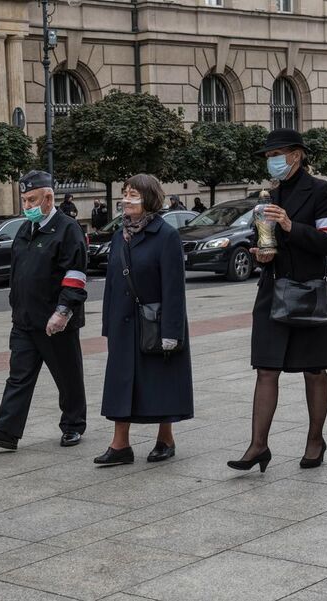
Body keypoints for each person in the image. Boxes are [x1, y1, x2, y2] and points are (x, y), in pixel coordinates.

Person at [228, 128, 327, 473]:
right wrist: (261, 253)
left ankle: (315, 440)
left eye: (276, 154)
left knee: (313, 368)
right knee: (265, 367)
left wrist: (292, 226)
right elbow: (267, 240)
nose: (271, 161)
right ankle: (258, 445)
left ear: (296, 154)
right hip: (273, 287)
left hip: (309, 291)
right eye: (267, 156)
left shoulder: (322, 190)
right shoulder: (271, 193)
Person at [0, 170, 88, 450]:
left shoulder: (67, 228)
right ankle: (6, 430)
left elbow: (75, 275)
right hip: (24, 319)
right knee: (18, 376)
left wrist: (63, 311)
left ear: (49, 198)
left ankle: (73, 425)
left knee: (67, 376)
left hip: (55, 320)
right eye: (24, 200)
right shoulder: (25, 229)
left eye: (31, 200)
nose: (27, 207)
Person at [94, 174, 193, 466]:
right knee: (120, 382)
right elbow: (112, 282)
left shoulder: (166, 235)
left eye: (133, 194)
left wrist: (171, 331)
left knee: (160, 381)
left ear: (149, 199)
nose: (126, 199)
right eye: (125, 193)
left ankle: (165, 438)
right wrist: (107, 325)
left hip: (155, 321)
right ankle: (120, 444)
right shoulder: (119, 234)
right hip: (123, 323)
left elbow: (174, 288)